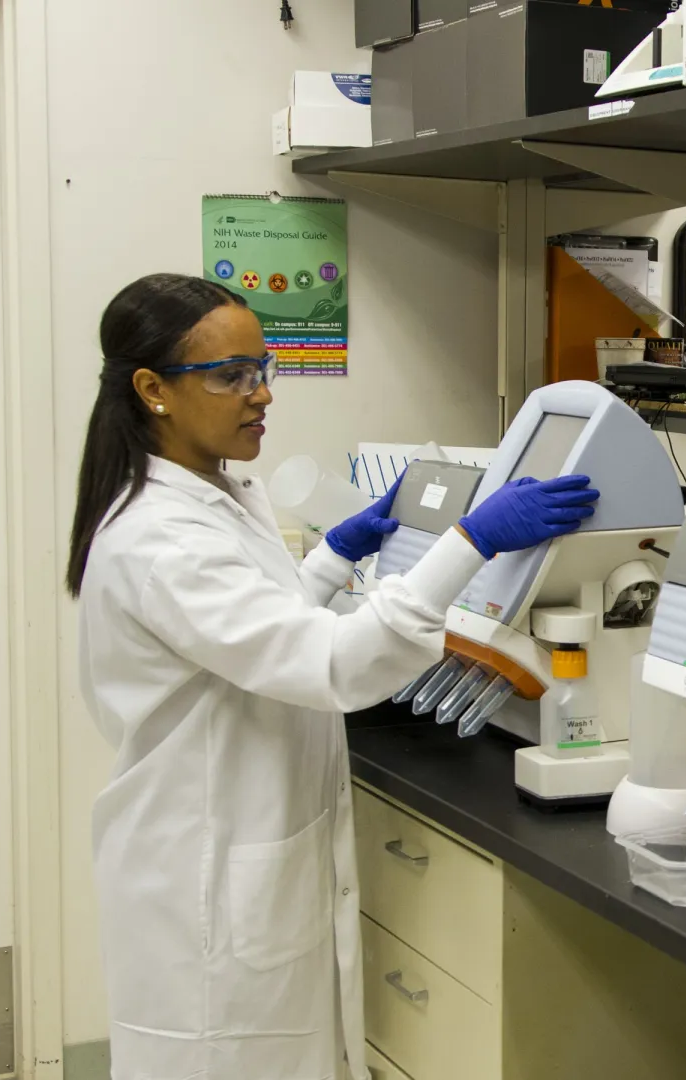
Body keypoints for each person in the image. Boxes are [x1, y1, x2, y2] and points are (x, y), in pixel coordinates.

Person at [67, 273, 598, 1080]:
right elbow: (330, 664)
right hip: (203, 877)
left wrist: (331, 557)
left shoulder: (215, 491)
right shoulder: (160, 539)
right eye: (231, 376)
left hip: (241, 846)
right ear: (153, 390)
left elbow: (254, 633)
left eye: (263, 367)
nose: (261, 394)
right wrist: (470, 541)